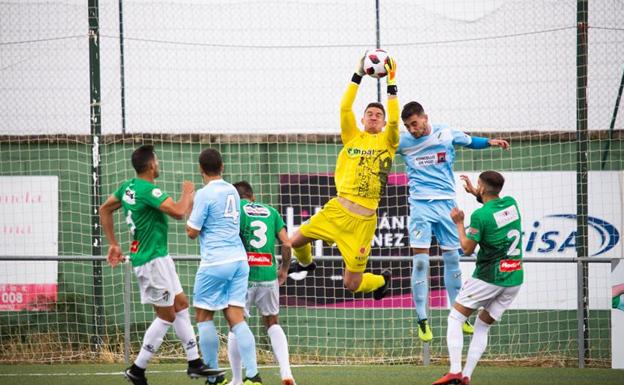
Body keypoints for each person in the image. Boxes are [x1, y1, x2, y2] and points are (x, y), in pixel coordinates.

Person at [99, 144, 223, 385]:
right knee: (166, 315)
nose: (159, 163)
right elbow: (177, 212)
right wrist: (188, 192)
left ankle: (194, 362)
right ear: (151, 165)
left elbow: (105, 208)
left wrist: (113, 243)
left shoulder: (128, 188)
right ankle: (137, 368)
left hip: (160, 258)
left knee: (181, 304)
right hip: (151, 261)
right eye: (156, 160)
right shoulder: (147, 190)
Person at [287, 54, 399, 298]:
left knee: (351, 284)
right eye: (369, 113)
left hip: (362, 223)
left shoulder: (388, 141)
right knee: (295, 241)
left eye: (378, 115)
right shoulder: (352, 136)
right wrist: (357, 75)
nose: (373, 116)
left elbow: (394, 122)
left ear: (383, 122)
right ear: (362, 118)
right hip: (336, 211)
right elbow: (344, 107)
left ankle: (381, 280)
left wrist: (391, 84)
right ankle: (306, 264)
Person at [396, 101, 510, 342]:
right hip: (420, 205)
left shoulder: (445, 133)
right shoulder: (402, 142)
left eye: (415, 124)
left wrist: (491, 142)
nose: (412, 130)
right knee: (420, 263)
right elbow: (380, 147)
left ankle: (460, 316)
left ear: (425, 118)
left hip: (447, 205)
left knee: (453, 259)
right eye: (407, 126)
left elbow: (470, 141)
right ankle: (422, 319)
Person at [433, 171, 523, 385]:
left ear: (482, 188)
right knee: (482, 326)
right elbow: (492, 207)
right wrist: (477, 193)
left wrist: (458, 223)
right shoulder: (512, 204)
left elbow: (466, 248)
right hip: (514, 276)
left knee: (456, 318)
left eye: (478, 186)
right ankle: (466, 376)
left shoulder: (479, 216)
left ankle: (455, 371)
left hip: (489, 277)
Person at [186, 149, 262, 385]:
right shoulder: (232, 190)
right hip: (239, 261)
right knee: (236, 318)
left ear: (201, 169)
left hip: (215, 261)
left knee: (203, 315)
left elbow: (192, 232)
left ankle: (214, 377)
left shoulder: (204, 194)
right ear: (223, 166)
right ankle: (253, 376)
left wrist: (188, 206)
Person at [226, 180, 295, 385]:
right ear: (252, 196)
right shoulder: (271, 211)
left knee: (235, 324)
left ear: (236, 198)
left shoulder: (235, 210)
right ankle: (286, 373)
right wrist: (283, 270)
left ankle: (238, 379)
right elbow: (287, 243)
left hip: (243, 277)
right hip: (268, 275)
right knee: (272, 322)